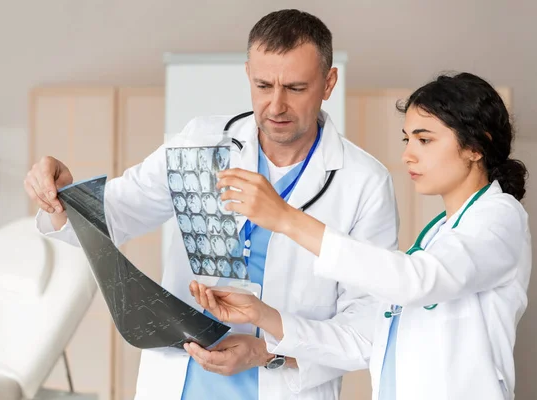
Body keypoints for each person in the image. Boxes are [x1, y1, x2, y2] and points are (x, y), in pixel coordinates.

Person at [24, 9, 399, 400]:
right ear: (248, 75)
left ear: (328, 82)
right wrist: (65, 198)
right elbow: (116, 212)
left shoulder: (364, 183)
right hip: (179, 382)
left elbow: (366, 328)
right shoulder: (199, 141)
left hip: (281, 385)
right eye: (263, 85)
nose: (276, 106)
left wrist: (268, 353)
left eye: (296, 88)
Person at [191, 72, 532, 400]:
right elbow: (363, 341)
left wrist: (287, 220)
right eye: (407, 138)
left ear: (476, 147)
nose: (407, 154)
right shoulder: (437, 237)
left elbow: (416, 281)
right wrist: (262, 317)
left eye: (424, 139)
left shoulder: (499, 216)